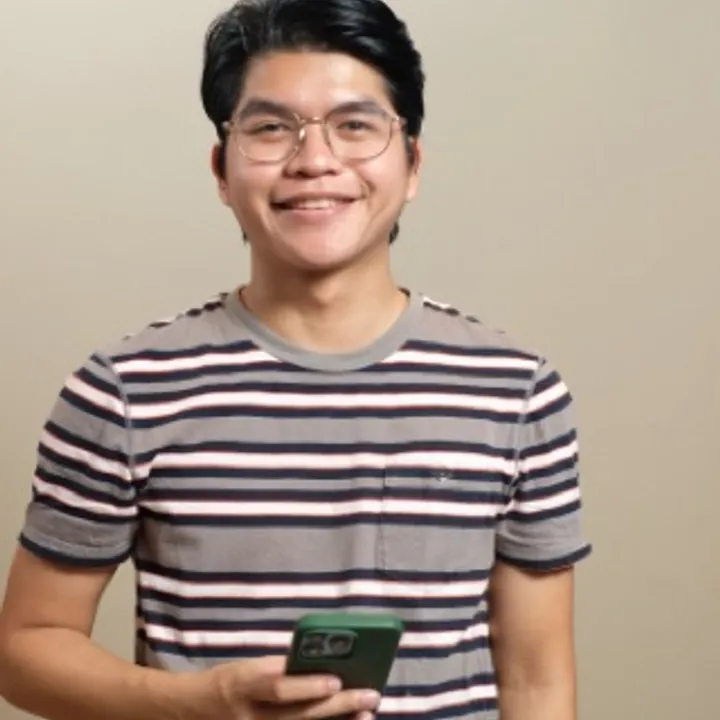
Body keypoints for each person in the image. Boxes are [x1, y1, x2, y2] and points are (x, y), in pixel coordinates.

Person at [0, 0, 591, 718]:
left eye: (355, 126)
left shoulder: (515, 391)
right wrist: (196, 704)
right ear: (221, 170)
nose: (315, 161)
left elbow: (537, 681)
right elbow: (26, 647)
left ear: (412, 164)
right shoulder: (125, 390)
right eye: (271, 128)